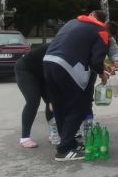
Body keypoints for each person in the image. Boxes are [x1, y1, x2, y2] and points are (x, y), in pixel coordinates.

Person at [43, 12, 110, 161]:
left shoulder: (72, 22)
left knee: (59, 106)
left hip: (48, 62)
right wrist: (101, 73)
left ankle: (69, 142)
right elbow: (96, 61)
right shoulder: (101, 31)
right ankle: (64, 149)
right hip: (67, 67)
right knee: (80, 107)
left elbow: (73, 47)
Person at [15, 42, 56, 148]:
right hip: (26, 70)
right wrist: (51, 98)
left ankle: (53, 134)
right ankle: (25, 138)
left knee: (51, 102)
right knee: (33, 101)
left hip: (42, 72)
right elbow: (50, 74)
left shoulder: (66, 49)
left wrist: (51, 99)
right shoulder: (54, 48)